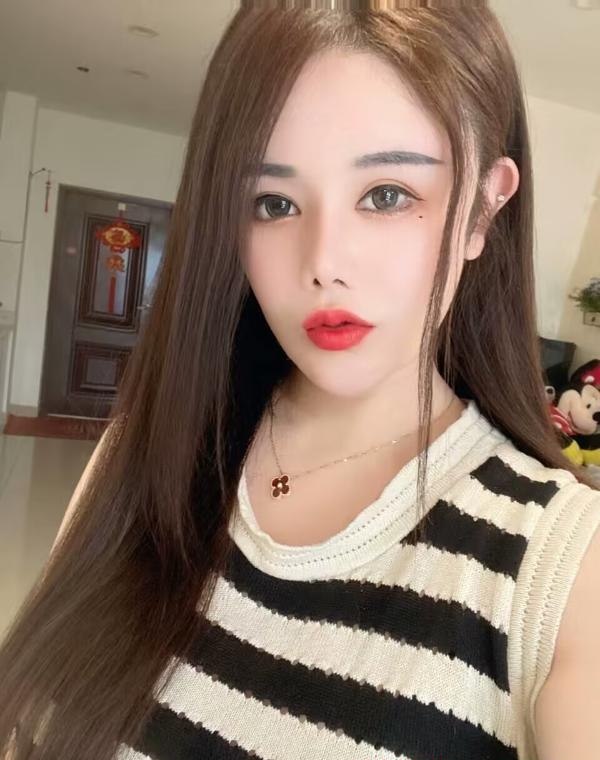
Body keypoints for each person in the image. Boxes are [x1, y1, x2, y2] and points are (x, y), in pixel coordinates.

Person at [1, 3, 599, 760]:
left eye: (387, 195)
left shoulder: (559, 571)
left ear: (484, 207)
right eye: (274, 203)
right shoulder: (139, 459)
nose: (323, 263)